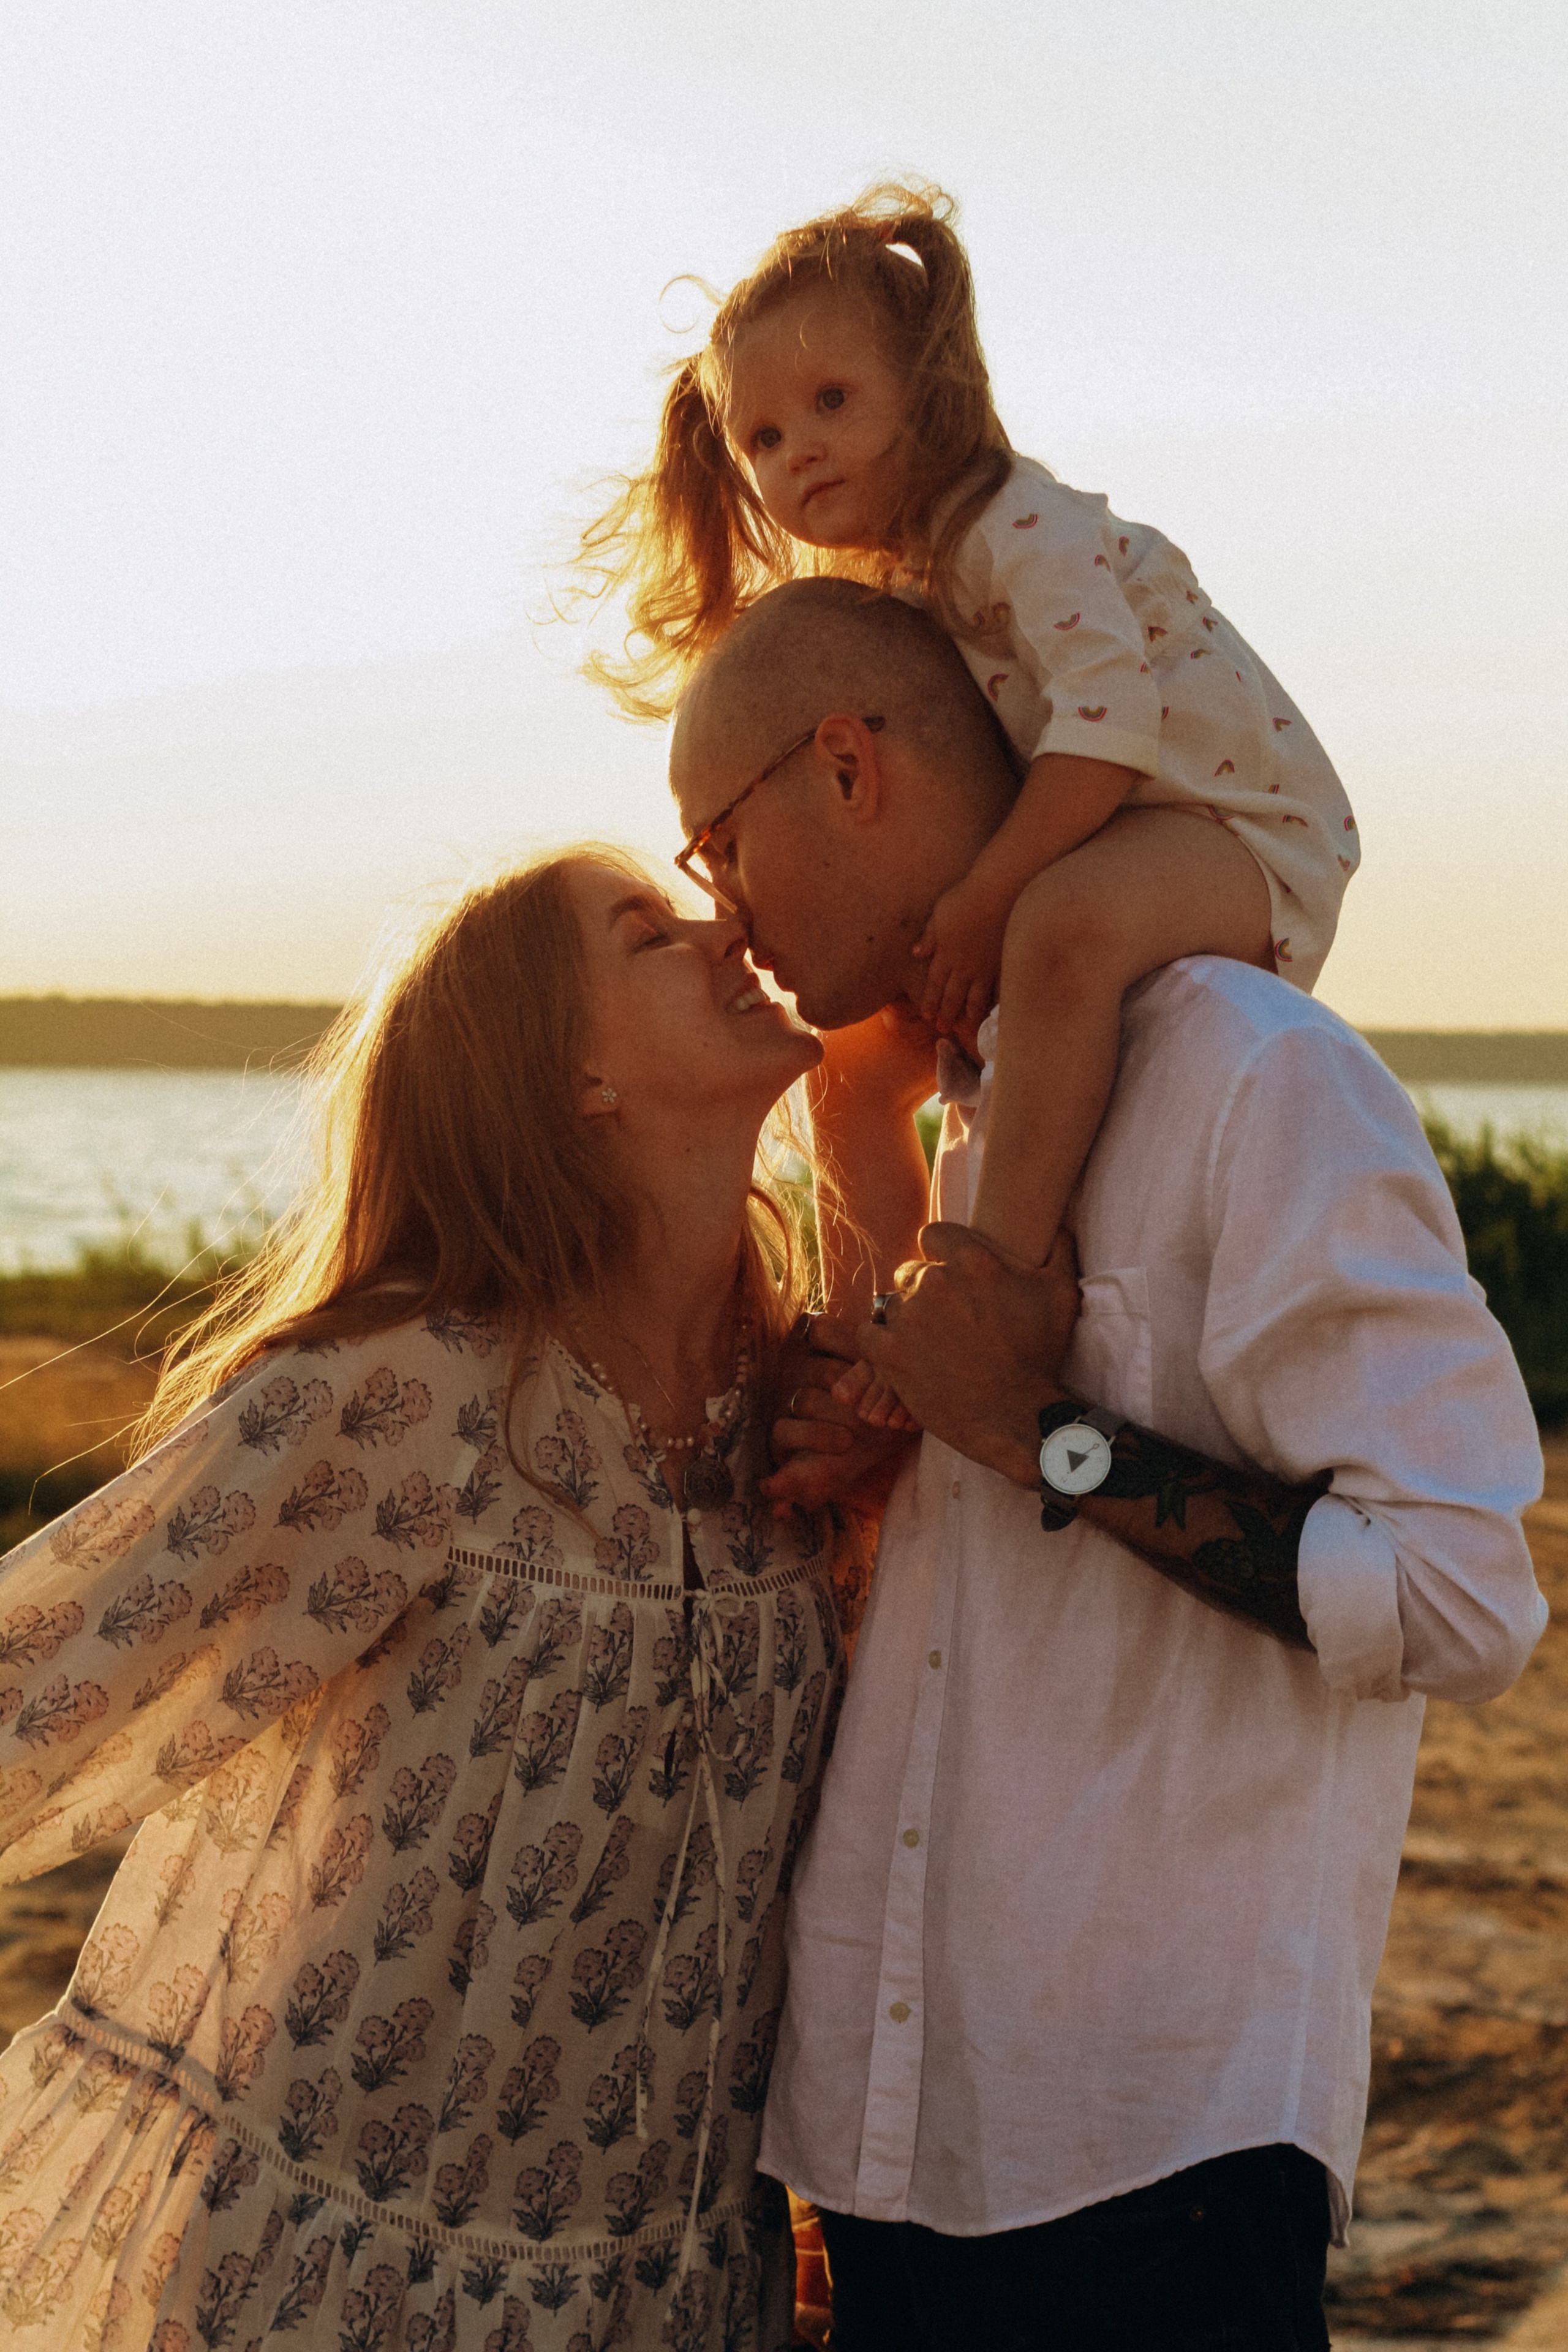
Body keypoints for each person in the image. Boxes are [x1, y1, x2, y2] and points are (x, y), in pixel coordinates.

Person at [668, 579, 1546, 2351]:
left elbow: (1462, 1596)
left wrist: (1040, 1433)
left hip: (1151, 2164)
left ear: (845, 767)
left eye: (718, 843)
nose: (722, 912)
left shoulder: (1257, 1083)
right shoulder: (949, 1125)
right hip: (880, 2147)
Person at [0, 850, 859, 2352]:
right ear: (575, 1077)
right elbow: (35, 1679)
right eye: (648, 934)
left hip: (667, 2293)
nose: (724, 925)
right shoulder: (411, 1392)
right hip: (343, 2283)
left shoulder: (802, 1416)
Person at [575, 179, 1359, 1277]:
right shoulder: (914, 573)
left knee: (1056, 928)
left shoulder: (1018, 525)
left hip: (1242, 827)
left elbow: (1111, 725)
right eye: (765, 437)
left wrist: (985, 897)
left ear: (924, 387)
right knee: (851, 1059)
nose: (800, 451)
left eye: (833, 400)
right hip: (1119, 824)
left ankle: (989, 1274)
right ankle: (869, 1319)